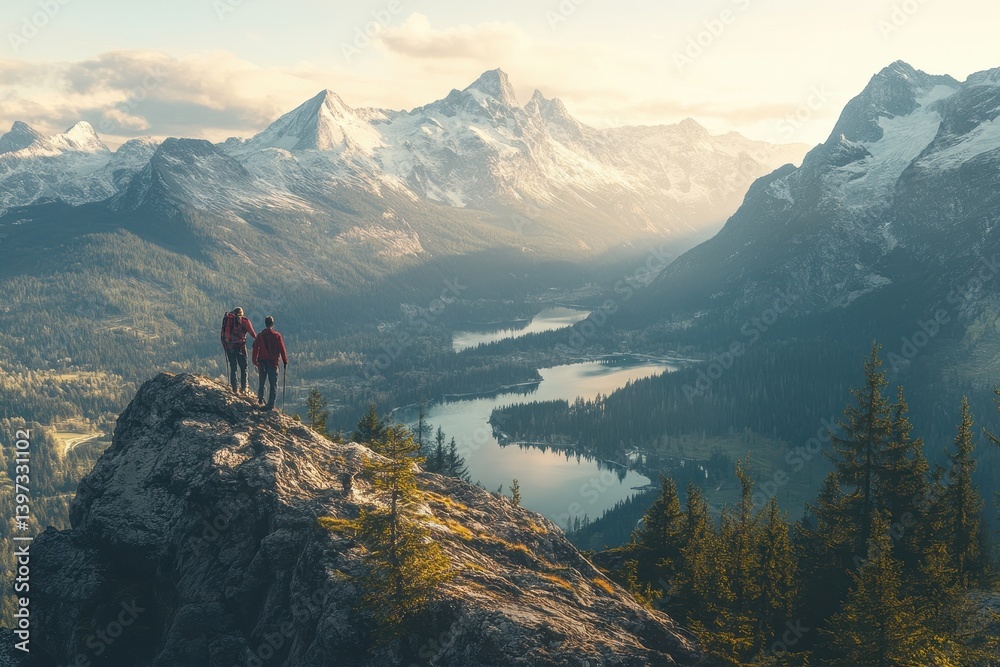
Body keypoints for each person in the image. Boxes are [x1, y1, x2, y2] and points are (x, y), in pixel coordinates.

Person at [252, 315, 289, 411]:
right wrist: (285, 361)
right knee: (273, 385)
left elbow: (255, 349)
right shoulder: (277, 335)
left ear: (265, 323)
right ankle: (271, 404)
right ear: (272, 323)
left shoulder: (260, 336)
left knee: (262, 382)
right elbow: (282, 349)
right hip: (273, 364)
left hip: (262, 363)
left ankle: (260, 400)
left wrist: (255, 361)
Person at [221, 307, 257, 394]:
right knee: (244, 368)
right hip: (240, 347)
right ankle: (243, 388)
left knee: (233, 368)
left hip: (230, 347)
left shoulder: (228, 320)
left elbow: (223, 334)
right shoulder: (244, 321)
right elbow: (252, 332)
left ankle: (234, 388)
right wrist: (257, 339)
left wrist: (225, 345)